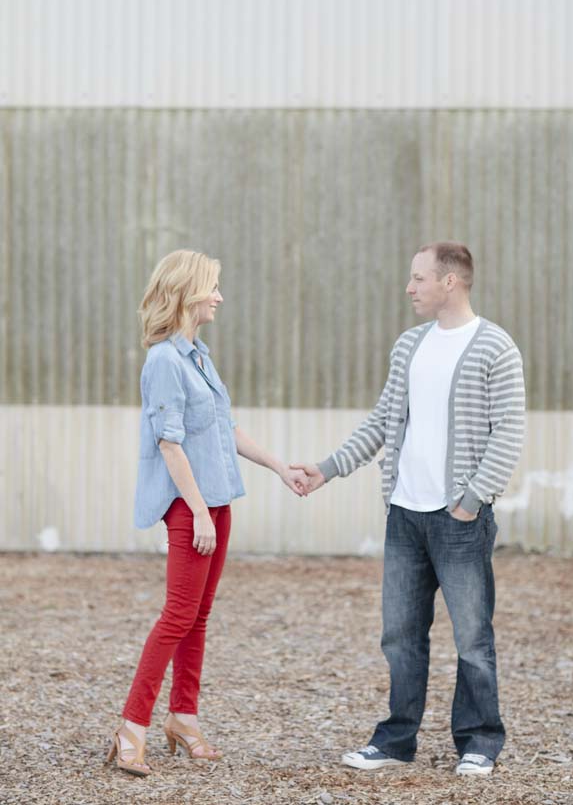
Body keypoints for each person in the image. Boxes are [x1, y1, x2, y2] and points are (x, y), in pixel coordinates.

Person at [293, 242, 525, 777]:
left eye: (419, 278)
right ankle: (397, 739)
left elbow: (508, 433)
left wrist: (471, 502)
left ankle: (480, 740)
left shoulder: (496, 348)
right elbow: (381, 422)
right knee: (399, 636)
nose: (409, 287)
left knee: (471, 637)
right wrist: (326, 469)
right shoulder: (408, 346)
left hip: (459, 519)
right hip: (404, 515)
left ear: (451, 282)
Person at [106, 249, 308, 777]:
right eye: (212, 287)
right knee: (177, 616)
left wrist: (278, 467)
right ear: (187, 293)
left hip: (216, 502)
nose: (219, 297)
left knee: (198, 618)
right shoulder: (164, 361)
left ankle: (184, 718)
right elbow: (169, 444)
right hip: (188, 507)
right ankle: (132, 728)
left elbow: (225, 429)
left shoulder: (199, 355)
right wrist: (196, 512)